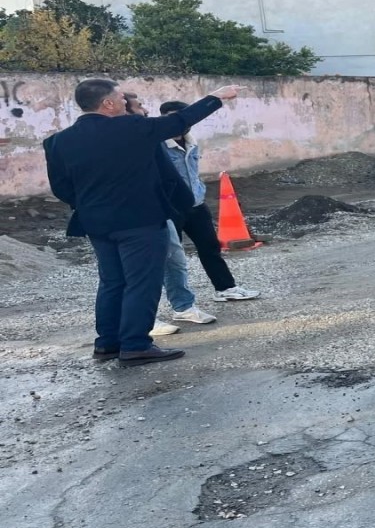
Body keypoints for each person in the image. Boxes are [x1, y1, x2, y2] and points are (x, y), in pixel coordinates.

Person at [43, 79, 237, 366]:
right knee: (141, 283)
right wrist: (216, 97)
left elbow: (61, 188)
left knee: (112, 283)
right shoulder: (132, 128)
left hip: (96, 223)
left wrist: (92, 203)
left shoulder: (58, 141)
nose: (125, 102)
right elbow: (181, 120)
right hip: (141, 221)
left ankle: (107, 344)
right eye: (120, 98)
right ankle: (135, 344)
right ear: (107, 103)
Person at [122, 94, 218, 335]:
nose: (145, 110)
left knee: (174, 258)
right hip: (131, 214)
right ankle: (143, 320)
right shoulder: (126, 138)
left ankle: (183, 306)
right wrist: (216, 97)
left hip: (160, 209)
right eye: (139, 106)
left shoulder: (148, 134)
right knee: (139, 268)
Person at [158, 100, 260, 303]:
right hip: (171, 209)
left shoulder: (191, 141)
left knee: (210, 247)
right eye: (172, 118)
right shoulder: (158, 146)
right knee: (171, 258)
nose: (179, 123)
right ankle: (180, 303)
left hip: (195, 205)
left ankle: (226, 288)